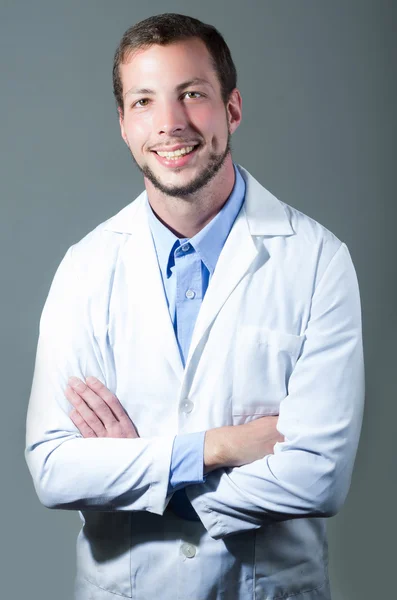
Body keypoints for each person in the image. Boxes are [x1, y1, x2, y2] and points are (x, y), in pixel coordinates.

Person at [25, 13, 364, 600]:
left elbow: (320, 479)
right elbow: (54, 469)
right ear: (124, 126)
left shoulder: (317, 261)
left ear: (232, 108)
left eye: (192, 95)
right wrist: (219, 447)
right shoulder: (84, 268)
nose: (170, 124)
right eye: (144, 103)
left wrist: (139, 470)